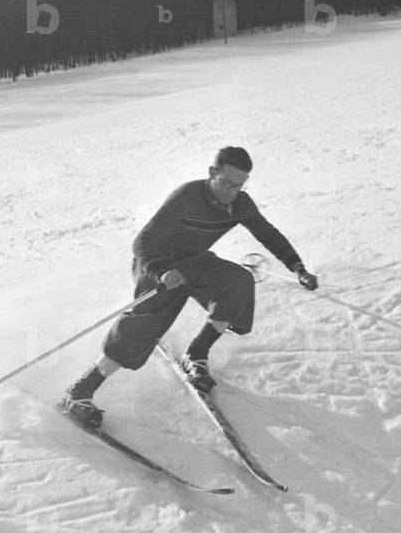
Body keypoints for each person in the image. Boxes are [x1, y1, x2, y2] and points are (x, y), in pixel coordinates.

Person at [62, 146, 318, 428]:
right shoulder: (187, 197)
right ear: (212, 173)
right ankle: (81, 390)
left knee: (238, 282)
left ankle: (197, 353)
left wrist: (298, 268)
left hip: (195, 262)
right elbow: (142, 242)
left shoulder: (240, 204)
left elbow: (268, 234)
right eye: (227, 182)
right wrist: (160, 272)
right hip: (158, 264)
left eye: (239, 185)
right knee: (144, 327)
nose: (232, 191)